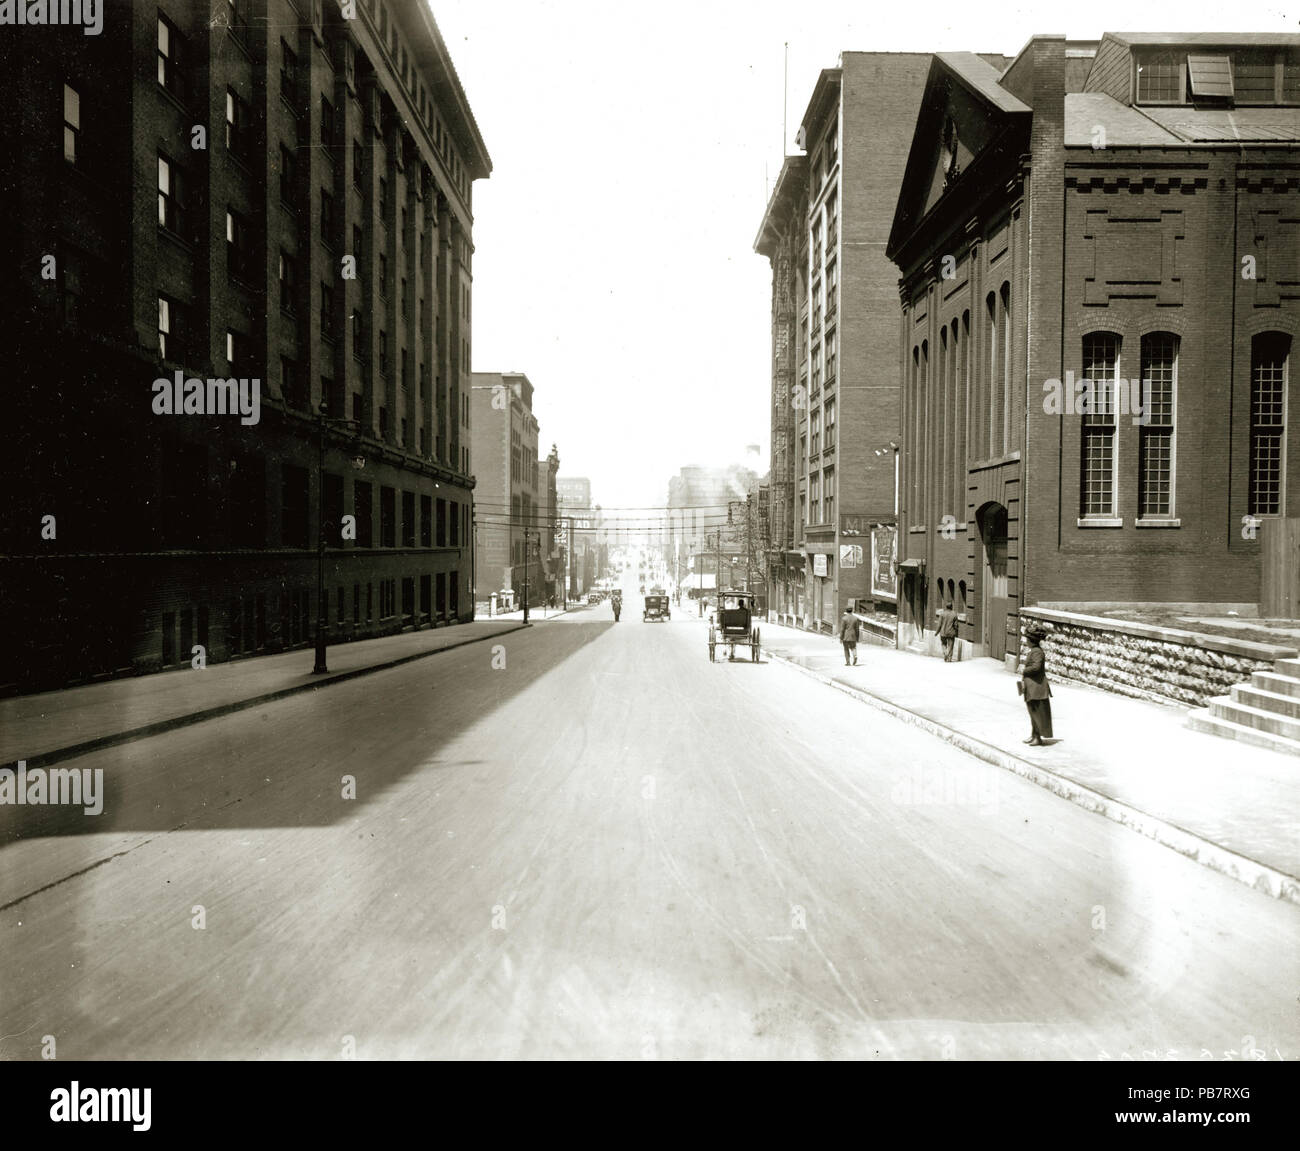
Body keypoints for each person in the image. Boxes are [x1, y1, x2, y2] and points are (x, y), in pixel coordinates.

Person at [1019, 622, 1053, 746]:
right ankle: (1033, 735)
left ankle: (1037, 738)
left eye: (1027, 639)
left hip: (1037, 688)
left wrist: (1024, 670)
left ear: (1031, 640)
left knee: (1036, 714)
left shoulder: (1037, 652)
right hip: (1032, 687)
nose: (1026, 641)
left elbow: (1036, 667)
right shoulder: (1034, 651)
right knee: (1032, 713)